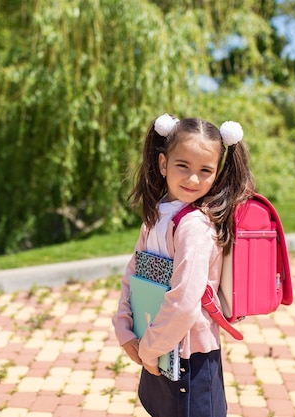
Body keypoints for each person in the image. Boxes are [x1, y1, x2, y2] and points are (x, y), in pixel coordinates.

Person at [112, 113, 256, 417]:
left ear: (217, 173)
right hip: (159, 344)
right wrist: (124, 327)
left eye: (205, 170)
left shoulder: (195, 227)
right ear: (163, 164)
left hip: (187, 356)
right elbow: (135, 272)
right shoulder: (158, 213)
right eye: (183, 166)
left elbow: (185, 301)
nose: (193, 179)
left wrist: (149, 348)